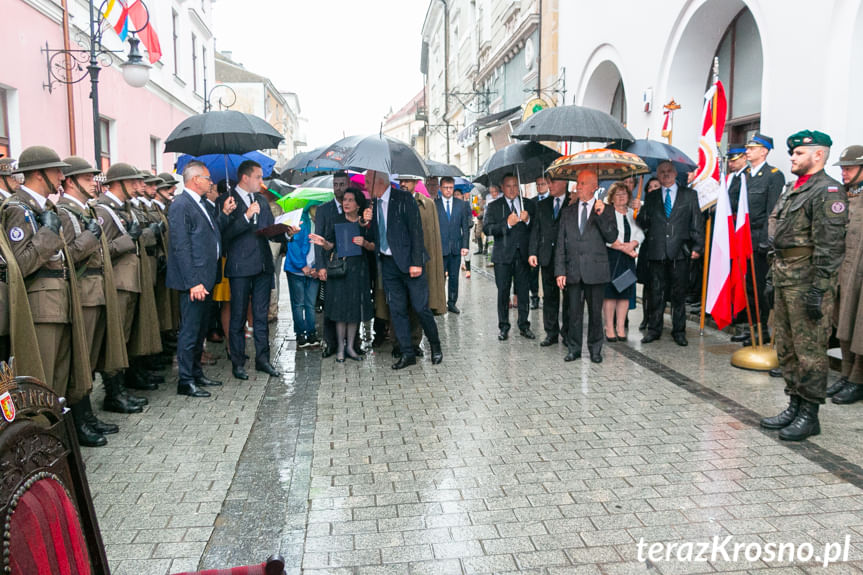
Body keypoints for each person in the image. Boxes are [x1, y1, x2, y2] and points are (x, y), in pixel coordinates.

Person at [760, 130, 847, 441]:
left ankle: (810, 414)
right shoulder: (793, 188)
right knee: (787, 348)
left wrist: (820, 289)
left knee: (809, 349)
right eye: (793, 153)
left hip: (808, 280)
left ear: (818, 155)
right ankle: (794, 403)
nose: (793, 157)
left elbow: (831, 246)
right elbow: (779, 230)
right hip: (785, 275)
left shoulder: (828, 191)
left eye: (799, 154)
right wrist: (773, 274)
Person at [1, 146, 93, 403]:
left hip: (59, 301)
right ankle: (38, 434)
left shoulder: (46, 207)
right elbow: (19, 264)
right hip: (41, 307)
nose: (63, 177)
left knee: (59, 379)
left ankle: (53, 436)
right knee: (42, 380)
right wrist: (48, 235)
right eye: (57, 171)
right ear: (38, 174)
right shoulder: (18, 209)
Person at [58, 156, 127, 446]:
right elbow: (69, 255)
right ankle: (78, 422)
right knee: (81, 361)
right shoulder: (63, 211)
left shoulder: (84, 209)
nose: (93, 182)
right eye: (86, 178)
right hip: (84, 293)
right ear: (70, 181)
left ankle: (87, 417)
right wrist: (90, 236)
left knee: (92, 354)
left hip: (96, 289)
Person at [166, 161, 235, 397]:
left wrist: (224, 213)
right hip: (194, 282)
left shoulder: (203, 203)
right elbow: (181, 247)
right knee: (190, 331)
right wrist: (193, 281)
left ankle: (196, 373)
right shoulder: (181, 205)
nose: (211, 183)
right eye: (207, 178)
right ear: (195, 179)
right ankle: (185, 380)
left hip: (206, 278)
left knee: (200, 329)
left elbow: (212, 232)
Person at [365, 169, 442, 369]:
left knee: (420, 308)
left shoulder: (404, 198)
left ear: (378, 182)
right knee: (397, 310)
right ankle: (407, 353)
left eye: (367, 182)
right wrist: (366, 221)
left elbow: (416, 231)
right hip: (389, 264)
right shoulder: (374, 204)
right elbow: (376, 236)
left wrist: (416, 262)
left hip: (410, 263)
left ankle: (436, 346)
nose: (365, 186)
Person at [94, 163, 151, 413]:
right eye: (133, 181)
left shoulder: (121, 208)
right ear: (120, 183)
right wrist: (129, 239)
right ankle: (113, 393)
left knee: (124, 336)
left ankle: (121, 388)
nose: (138, 186)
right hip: (117, 282)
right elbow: (101, 250)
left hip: (129, 280)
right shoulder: (104, 211)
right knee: (114, 339)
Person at [222, 160, 283, 380]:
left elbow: (269, 230)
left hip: (263, 265)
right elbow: (224, 234)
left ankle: (263, 360)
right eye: (258, 177)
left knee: (261, 315)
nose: (261, 181)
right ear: (245, 178)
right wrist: (246, 216)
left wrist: (285, 232)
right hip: (239, 266)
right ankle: (238, 362)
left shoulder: (261, 200)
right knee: (238, 315)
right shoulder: (227, 200)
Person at [636, 160, 704, 346]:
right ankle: (654, 330)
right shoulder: (652, 197)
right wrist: (640, 210)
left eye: (668, 171)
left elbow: (696, 221)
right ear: (658, 175)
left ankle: (679, 331)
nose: (665, 174)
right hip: (656, 251)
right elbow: (643, 223)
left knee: (678, 295)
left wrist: (698, 247)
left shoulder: (689, 195)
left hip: (680, 252)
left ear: (675, 174)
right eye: (662, 172)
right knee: (656, 294)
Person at [555, 169, 618, 363]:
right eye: (578, 183)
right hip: (573, 270)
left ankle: (595, 349)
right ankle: (574, 348)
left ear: (594, 187)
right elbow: (560, 243)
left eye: (582, 183)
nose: (577, 187)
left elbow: (612, 237)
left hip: (596, 271)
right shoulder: (568, 211)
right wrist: (560, 271)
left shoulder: (606, 210)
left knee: (595, 313)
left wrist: (600, 214)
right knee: (573, 313)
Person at [732, 133, 786, 346]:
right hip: (742, 238)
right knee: (747, 287)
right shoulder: (744, 175)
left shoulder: (773, 175)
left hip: (758, 241)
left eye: (752, 148)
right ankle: (751, 327)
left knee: (759, 287)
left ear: (764, 151)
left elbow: (771, 211)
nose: (748, 151)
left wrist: (766, 241)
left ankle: (762, 329)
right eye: (748, 148)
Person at [310, 188, 375, 362]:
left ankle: (351, 348)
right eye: (344, 199)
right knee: (340, 311)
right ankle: (339, 348)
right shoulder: (335, 220)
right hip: (340, 271)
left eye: (350, 200)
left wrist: (365, 243)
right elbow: (331, 246)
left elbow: (375, 246)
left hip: (358, 272)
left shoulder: (364, 223)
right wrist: (323, 243)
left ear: (358, 204)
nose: (346, 203)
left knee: (354, 311)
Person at [397, 174, 446, 358]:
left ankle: (434, 344)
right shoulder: (393, 203)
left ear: (415, 183)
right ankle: (403, 345)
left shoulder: (426, 204)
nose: (403, 184)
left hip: (418, 263)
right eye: (401, 180)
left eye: (407, 180)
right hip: (398, 264)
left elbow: (431, 236)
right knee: (400, 307)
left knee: (421, 307)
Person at [483, 173, 536, 341]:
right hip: (503, 257)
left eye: (515, 185)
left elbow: (536, 228)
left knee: (523, 291)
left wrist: (528, 220)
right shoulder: (494, 206)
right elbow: (487, 229)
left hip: (522, 255)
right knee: (503, 292)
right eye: (508, 186)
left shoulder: (527, 204)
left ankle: (524, 325)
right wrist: (506, 224)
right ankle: (503, 326)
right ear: (502, 187)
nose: (512, 189)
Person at [830, 144, 863, 404]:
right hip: (843, 270)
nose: (844, 173)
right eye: (842, 169)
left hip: (860, 273)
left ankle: (857, 379)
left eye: (849, 168)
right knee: (842, 322)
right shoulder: (845, 195)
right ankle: (845, 374)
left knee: (859, 326)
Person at [529, 177, 571, 347]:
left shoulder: (573, 201)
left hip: (567, 259)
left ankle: (567, 333)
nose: (550, 185)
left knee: (569, 298)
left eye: (553, 182)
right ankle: (551, 332)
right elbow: (536, 230)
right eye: (549, 182)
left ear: (565, 183)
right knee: (549, 297)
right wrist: (533, 252)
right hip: (546, 257)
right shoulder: (542, 205)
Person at [602, 182, 644, 342]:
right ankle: (609, 327)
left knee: (624, 294)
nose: (621, 197)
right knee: (610, 294)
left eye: (624, 194)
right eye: (617, 194)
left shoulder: (633, 213)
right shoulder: (607, 213)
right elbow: (605, 236)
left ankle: (620, 327)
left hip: (628, 258)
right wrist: (623, 248)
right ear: (611, 198)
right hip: (612, 257)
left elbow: (640, 233)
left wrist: (632, 244)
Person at [315, 170, 350, 357]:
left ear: (348, 184)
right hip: (329, 264)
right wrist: (320, 266)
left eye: (342, 184)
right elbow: (318, 240)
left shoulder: (355, 207)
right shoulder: (323, 210)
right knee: (330, 304)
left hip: (350, 264)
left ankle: (352, 342)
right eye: (335, 184)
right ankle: (330, 343)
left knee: (349, 303)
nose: (338, 188)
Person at [436, 176, 471, 314]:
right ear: (440, 188)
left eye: (451, 187)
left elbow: (465, 227)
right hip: (440, 247)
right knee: (440, 276)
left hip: (456, 247)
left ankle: (452, 302)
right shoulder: (435, 204)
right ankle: (439, 303)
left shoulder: (461, 204)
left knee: (454, 277)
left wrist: (465, 245)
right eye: (446, 187)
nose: (448, 190)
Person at [284, 210, 319, 348]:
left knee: (310, 303)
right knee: (298, 304)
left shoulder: (321, 221)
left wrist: (318, 267)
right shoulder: (300, 220)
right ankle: (300, 334)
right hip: (296, 270)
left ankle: (311, 333)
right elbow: (292, 245)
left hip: (313, 270)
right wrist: (302, 266)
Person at [635, 177, 660, 331]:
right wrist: (639, 209)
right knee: (647, 286)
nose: (652, 189)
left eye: (656, 186)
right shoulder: (646, 205)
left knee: (658, 286)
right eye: (650, 187)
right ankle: (646, 317)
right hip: (648, 248)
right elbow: (641, 223)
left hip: (661, 249)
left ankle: (656, 319)